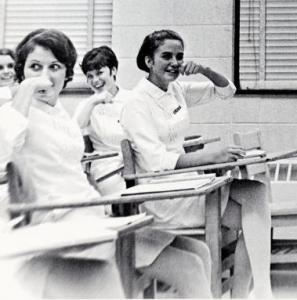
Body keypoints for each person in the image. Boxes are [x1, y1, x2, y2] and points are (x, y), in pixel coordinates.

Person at [121, 29, 273, 299]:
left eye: (179, 56)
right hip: (164, 193)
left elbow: (226, 90)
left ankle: (256, 291)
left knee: (257, 194)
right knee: (255, 218)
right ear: (148, 61)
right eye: (166, 56)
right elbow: (158, 161)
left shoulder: (176, 89)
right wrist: (212, 157)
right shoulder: (136, 102)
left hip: (189, 181)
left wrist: (204, 69)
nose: (175, 62)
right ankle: (252, 293)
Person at [74, 45, 213, 299]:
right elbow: (74, 132)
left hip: (139, 167)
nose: (95, 80)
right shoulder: (87, 105)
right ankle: (145, 262)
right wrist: (95, 99)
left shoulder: (132, 99)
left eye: (100, 73)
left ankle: (165, 263)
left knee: (165, 188)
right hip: (108, 174)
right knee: (132, 201)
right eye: (89, 75)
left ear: (113, 70)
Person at [0, 28, 125, 299]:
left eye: (54, 66)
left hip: (89, 213)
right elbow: (5, 150)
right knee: (110, 273)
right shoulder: (13, 113)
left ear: (66, 73)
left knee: (192, 258)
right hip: (54, 224)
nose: (45, 76)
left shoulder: (59, 113)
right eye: (35, 67)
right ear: (22, 73)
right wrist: (26, 89)